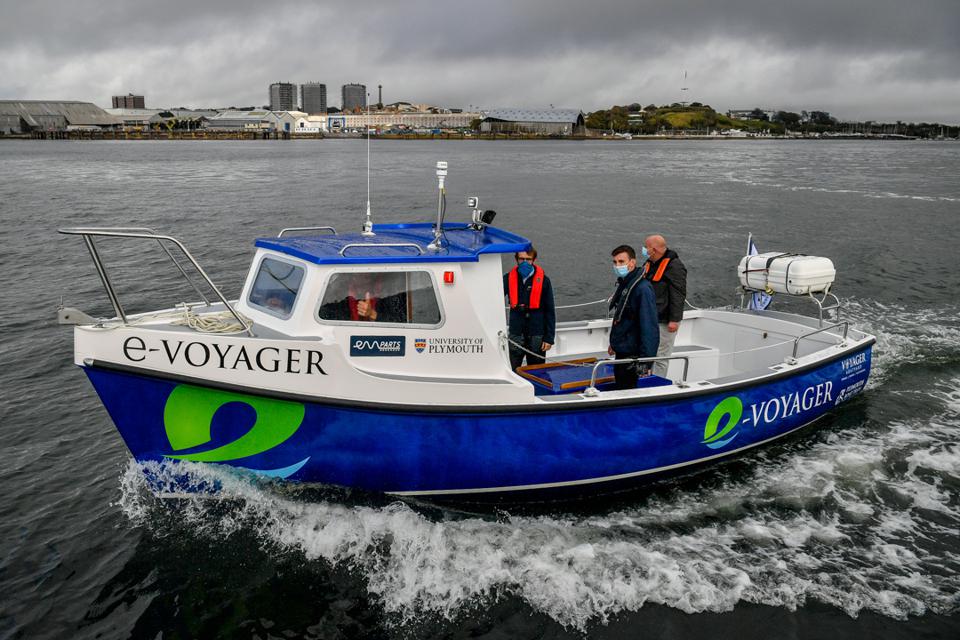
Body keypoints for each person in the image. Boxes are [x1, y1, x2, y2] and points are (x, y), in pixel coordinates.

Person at [608, 245, 659, 389]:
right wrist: (615, 343)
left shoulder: (642, 289)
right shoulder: (625, 284)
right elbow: (622, 318)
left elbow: (649, 327)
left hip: (633, 356)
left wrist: (646, 362)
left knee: (627, 388)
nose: (617, 266)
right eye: (615, 262)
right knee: (620, 386)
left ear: (632, 262)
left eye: (621, 261)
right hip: (622, 350)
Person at [641, 235, 688, 378]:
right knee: (647, 352)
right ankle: (645, 379)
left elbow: (678, 294)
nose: (644, 250)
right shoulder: (650, 263)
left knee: (661, 356)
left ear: (653, 249)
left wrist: (674, 319)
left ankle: (657, 383)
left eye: (646, 247)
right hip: (651, 318)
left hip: (665, 320)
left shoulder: (674, 266)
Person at [503, 246, 556, 370]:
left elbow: (550, 311)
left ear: (534, 260)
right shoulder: (507, 279)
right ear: (516, 259)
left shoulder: (544, 281)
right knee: (513, 369)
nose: (525, 262)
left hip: (536, 333)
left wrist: (549, 338)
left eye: (528, 259)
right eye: (521, 259)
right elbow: (494, 298)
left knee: (537, 370)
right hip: (516, 332)